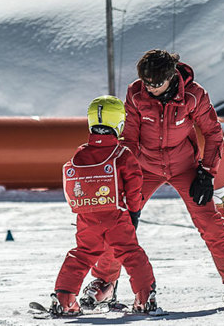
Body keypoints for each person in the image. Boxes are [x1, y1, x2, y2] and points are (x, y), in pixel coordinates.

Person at [80, 50, 224, 307]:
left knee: (208, 219)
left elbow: (213, 133)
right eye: (147, 83)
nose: (151, 89)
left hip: (184, 167)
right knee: (121, 221)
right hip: (145, 167)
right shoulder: (136, 94)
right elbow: (130, 139)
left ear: (171, 77)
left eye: (156, 84)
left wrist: (206, 172)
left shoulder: (194, 95)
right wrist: (128, 181)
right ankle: (105, 281)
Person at [50, 96, 157, 316]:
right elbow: (135, 187)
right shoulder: (121, 154)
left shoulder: (80, 153)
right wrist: (134, 211)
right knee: (131, 254)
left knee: (82, 254)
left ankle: (64, 298)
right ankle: (144, 298)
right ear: (119, 123)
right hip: (115, 216)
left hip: (87, 217)